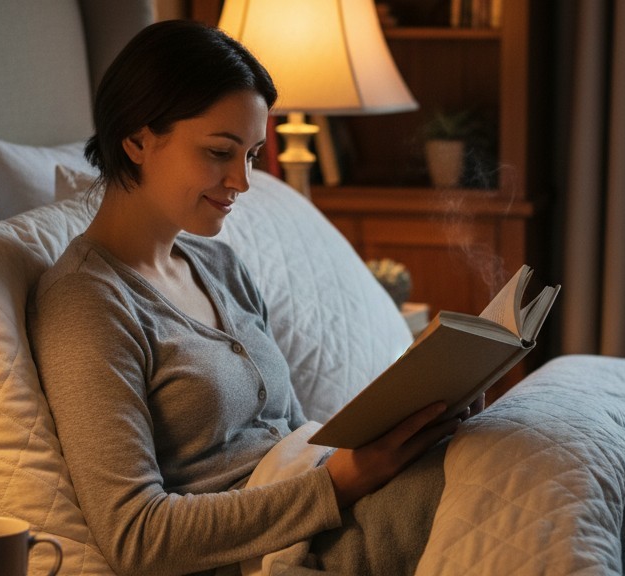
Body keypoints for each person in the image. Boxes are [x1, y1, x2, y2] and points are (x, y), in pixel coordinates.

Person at [29, 20, 481, 576]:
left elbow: (290, 430)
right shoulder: (87, 305)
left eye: (251, 154)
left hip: (325, 509)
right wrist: (336, 485)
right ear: (138, 140)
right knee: (526, 490)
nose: (242, 182)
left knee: (510, 453)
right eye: (221, 151)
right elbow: (136, 537)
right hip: (275, 551)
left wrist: (406, 424)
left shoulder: (219, 265)